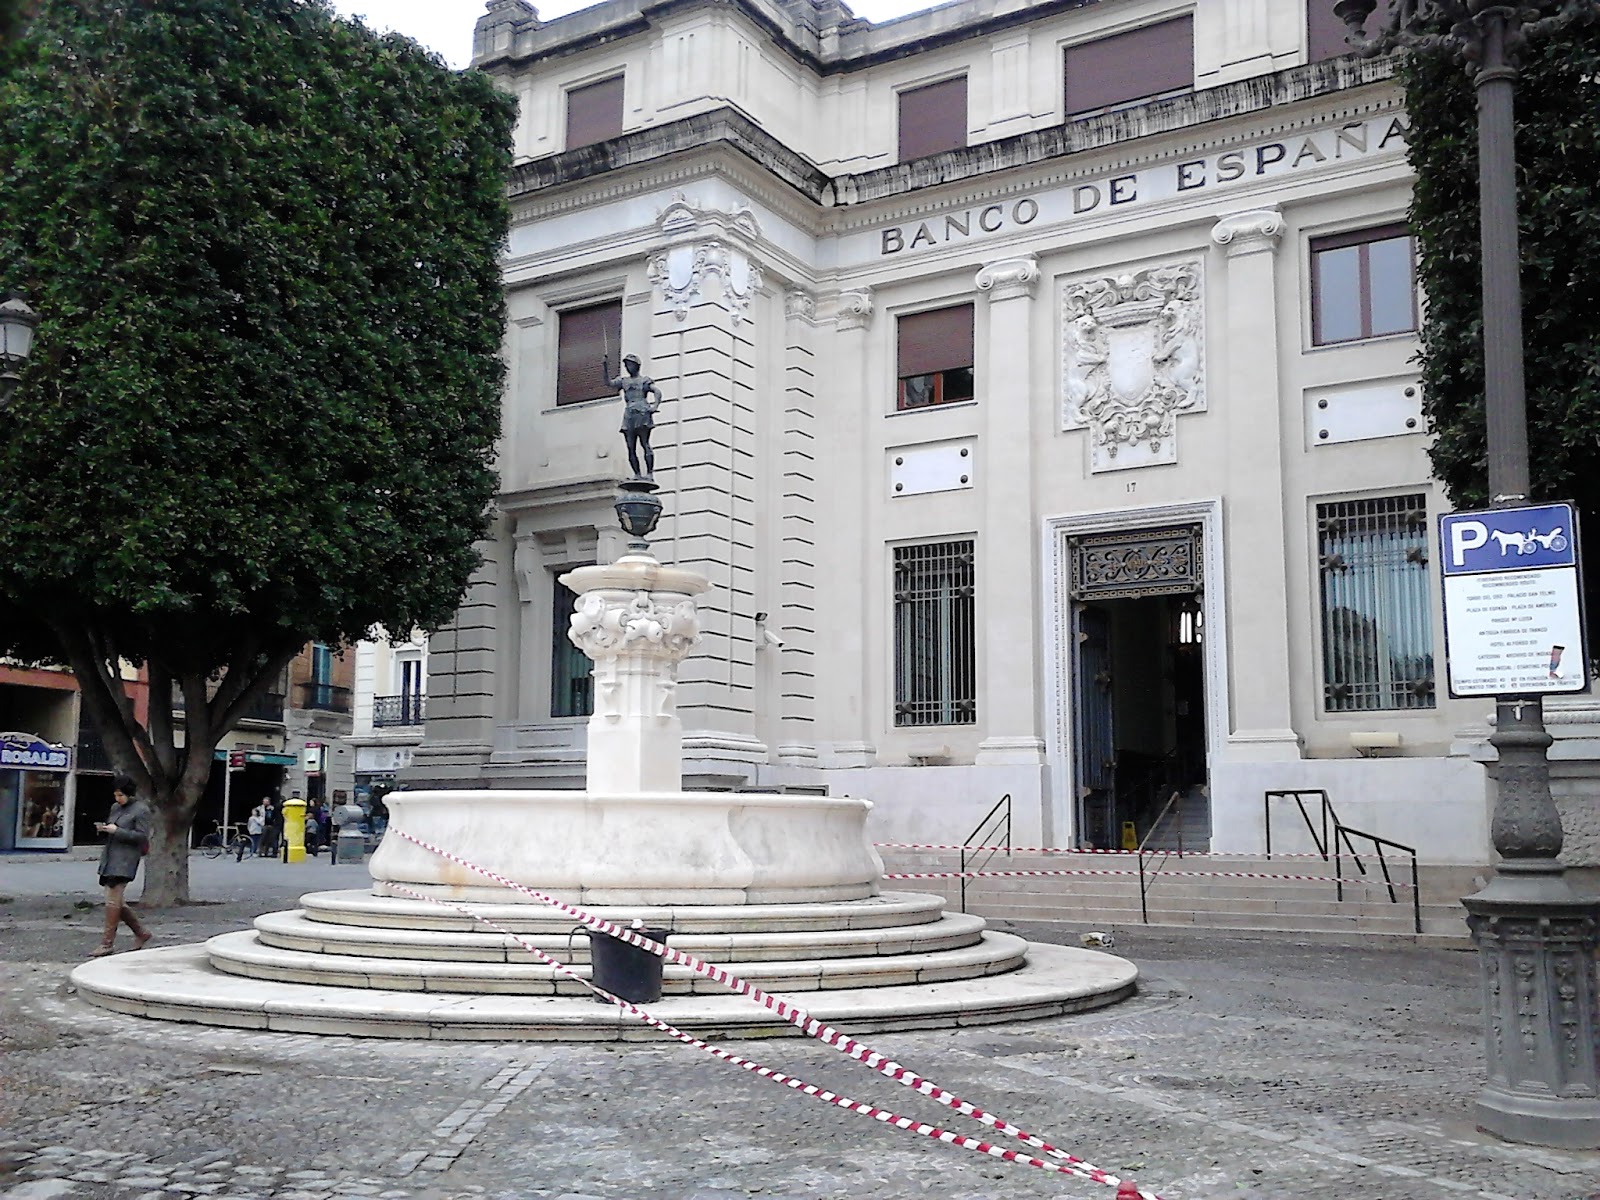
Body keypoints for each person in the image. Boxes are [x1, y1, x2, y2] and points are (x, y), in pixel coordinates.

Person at [89, 775, 152, 957]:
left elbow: (142, 836)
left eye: (120, 795)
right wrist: (104, 829)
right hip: (110, 856)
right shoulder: (115, 808)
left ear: (129, 794)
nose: (118, 799)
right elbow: (113, 827)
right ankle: (141, 932)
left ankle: (107, 943)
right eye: (115, 795)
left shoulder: (141, 810)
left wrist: (118, 831)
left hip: (126, 859)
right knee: (116, 901)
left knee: (112, 901)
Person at [606, 352, 664, 478]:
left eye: (630, 365)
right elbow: (609, 383)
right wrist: (605, 367)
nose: (628, 367)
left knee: (645, 444)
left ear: (637, 365)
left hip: (642, 412)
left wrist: (654, 406)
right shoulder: (623, 381)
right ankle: (637, 474)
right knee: (630, 447)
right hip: (629, 414)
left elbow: (657, 391)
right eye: (626, 365)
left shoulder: (644, 380)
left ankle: (649, 473)